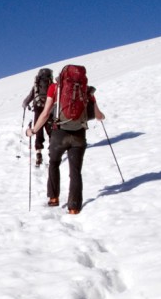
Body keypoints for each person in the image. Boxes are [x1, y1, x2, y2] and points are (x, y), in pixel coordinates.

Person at [26, 69, 104, 214]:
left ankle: (54, 198)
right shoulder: (85, 90)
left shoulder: (54, 88)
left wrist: (33, 131)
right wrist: (101, 115)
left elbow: (44, 114)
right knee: (75, 171)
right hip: (79, 134)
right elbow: (98, 115)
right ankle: (74, 207)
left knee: (54, 163)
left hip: (59, 133)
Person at [22, 68, 54, 166]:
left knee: (38, 131)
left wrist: (25, 104)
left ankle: (38, 153)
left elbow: (29, 97)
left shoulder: (36, 86)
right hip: (49, 109)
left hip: (38, 109)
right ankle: (51, 152)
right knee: (51, 132)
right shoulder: (51, 85)